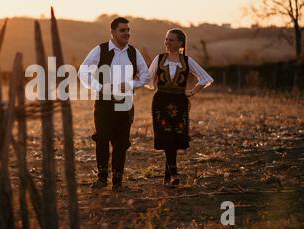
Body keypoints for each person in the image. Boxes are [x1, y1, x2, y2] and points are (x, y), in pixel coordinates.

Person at [78, 17, 150, 191]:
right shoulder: (100, 50)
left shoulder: (133, 52)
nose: (126, 33)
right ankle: (102, 179)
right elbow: (83, 70)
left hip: (125, 102)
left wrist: (132, 84)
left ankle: (118, 182)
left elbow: (146, 76)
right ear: (113, 32)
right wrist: (98, 86)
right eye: (122, 30)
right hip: (104, 103)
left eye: (128, 30)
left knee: (121, 142)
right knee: (102, 139)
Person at [147, 28, 214, 187]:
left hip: (179, 102)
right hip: (161, 101)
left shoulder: (187, 61)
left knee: (175, 137)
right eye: (166, 39)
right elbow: (148, 79)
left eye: (171, 40)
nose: (167, 42)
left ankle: (167, 177)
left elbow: (205, 78)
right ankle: (174, 174)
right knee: (167, 135)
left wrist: (192, 92)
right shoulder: (159, 58)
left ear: (180, 43)